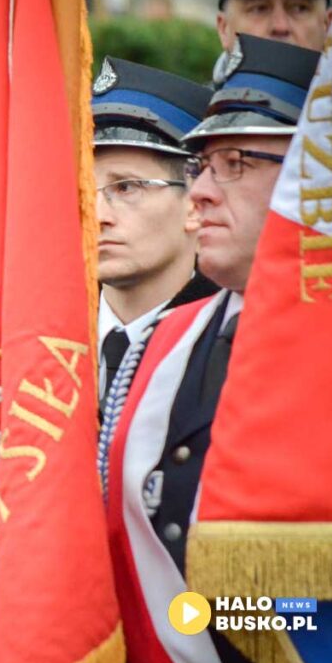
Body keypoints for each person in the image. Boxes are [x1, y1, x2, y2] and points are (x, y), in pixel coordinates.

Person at [104, 35, 320, 663]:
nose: (200, 192)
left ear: (320, 179)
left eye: (237, 163)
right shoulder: (171, 338)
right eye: (200, 165)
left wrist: (197, 614)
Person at [90, 57, 218, 404]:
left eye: (127, 188)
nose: (98, 215)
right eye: (83, 193)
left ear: (194, 202)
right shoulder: (42, 335)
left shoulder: (231, 347)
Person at [212, 0, 331, 83]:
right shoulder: (197, 115)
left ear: (329, 26)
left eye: (299, 8)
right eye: (259, 8)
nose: (280, 26)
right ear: (224, 29)